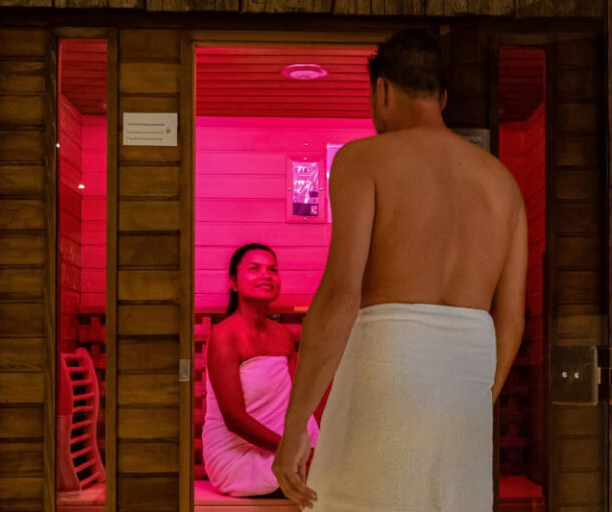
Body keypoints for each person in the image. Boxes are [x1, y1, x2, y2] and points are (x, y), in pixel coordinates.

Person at [272, 29, 527, 511]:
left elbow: (340, 296)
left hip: (387, 359)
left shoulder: (362, 160)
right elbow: (511, 317)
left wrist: (295, 424)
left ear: (382, 90)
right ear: (442, 97)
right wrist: (477, 400)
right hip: (468, 373)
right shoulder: (502, 183)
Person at [202, 243, 320, 497]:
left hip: (279, 441)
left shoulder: (282, 335)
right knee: (319, 478)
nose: (266, 275)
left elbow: (297, 398)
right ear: (234, 282)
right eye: (254, 268)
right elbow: (234, 418)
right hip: (236, 454)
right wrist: (291, 450)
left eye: (272, 269)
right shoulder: (224, 336)